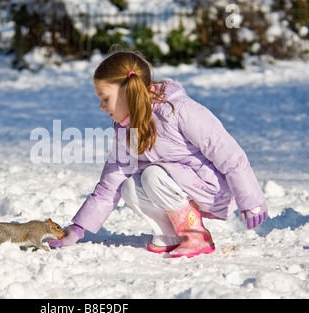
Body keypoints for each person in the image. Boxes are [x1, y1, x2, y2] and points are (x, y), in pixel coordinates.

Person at [48, 49, 268, 258]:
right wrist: (79, 227)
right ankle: (171, 235)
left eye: (105, 98)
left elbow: (229, 153)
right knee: (128, 186)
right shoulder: (126, 130)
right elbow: (110, 183)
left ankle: (197, 236)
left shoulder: (179, 110)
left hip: (211, 190)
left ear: (127, 92)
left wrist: (251, 200)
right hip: (175, 185)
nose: (101, 106)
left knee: (152, 174)